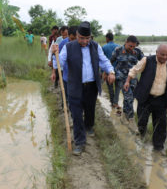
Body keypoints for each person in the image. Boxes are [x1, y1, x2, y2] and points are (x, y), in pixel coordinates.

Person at [51, 21, 115, 156]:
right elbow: (59, 64)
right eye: (81, 38)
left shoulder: (95, 46)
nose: (85, 41)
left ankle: (89, 126)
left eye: (87, 38)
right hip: (74, 85)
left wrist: (110, 72)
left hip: (91, 86)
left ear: (91, 37)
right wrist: (54, 53)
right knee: (76, 114)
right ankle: (80, 142)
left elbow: (104, 61)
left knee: (90, 109)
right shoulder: (68, 47)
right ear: (76, 35)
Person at [123, 44, 167, 151]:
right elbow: (134, 70)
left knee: (161, 125)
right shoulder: (147, 60)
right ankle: (141, 141)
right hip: (145, 98)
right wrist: (128, 81)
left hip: (161, 99)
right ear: (156, 52)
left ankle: (158, 147)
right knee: (142, 121)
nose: (165, 57)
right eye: (162, 54)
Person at [110, 35, 144, 124]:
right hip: (121, 78)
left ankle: (125, 115)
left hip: (133, 79)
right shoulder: (118, 50)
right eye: (130, 46)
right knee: (128, 97)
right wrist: (108, 73)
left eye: (134, 46)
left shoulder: (137, 52)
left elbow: (144, 62)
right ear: (126, 42)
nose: (132, 48)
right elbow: (110, 62)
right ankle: (131, 119)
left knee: (130, 98)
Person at [51, 26, 78, 98]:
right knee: (65, 95)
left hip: (78, 78)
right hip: (66, 74)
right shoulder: (63, 43)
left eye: (75, 39)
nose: (73, 42)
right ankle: (64, 107)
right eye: (71, 39)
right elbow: (56, 58)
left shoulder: (81, 44)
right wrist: (53, 72)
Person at [102, 32, 120, 108]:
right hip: (118, 70)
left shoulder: (104, 47)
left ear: (107, 38)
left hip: (108, 71)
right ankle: (115, 102)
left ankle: (112, 102)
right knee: (118, 87)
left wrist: (102, 72)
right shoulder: (119, 47)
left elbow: (102, 60)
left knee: (110, 87)